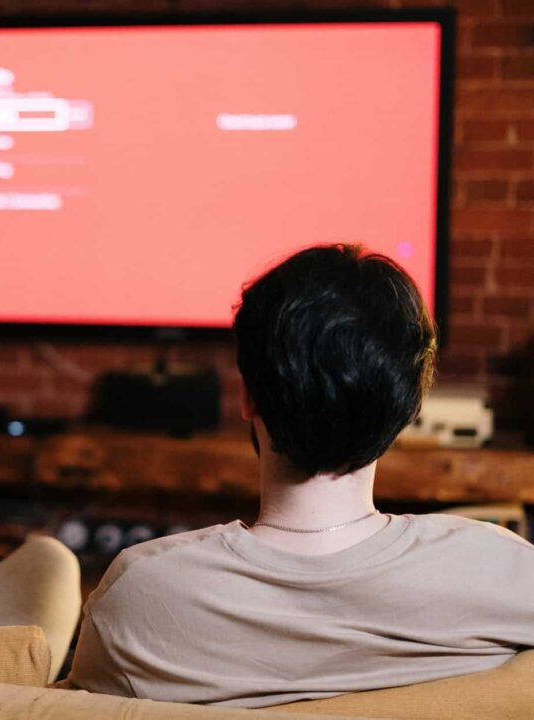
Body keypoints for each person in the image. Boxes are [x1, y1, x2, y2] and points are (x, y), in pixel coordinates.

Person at [66, 244, 534, 708]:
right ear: (408, 408)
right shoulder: (506, 575)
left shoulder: (139, 594)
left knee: (48, 564)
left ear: (249, 398)